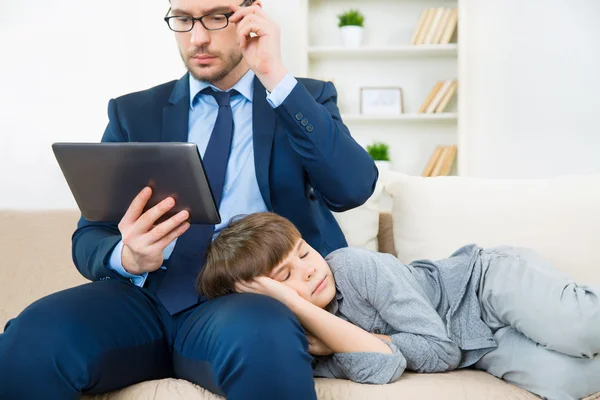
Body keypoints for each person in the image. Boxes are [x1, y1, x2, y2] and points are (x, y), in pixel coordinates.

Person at [0, 0, 377, 399]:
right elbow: (90, 237)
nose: (197, 37)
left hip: (247, 300)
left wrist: (274, 76)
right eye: (183, 19)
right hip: (144, 298)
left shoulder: (302, 98)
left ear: (253, 14)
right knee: (33, 334)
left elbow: (352, 188)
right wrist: (128, 257)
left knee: (265, 335)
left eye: (217, 17)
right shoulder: (133, 113)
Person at [199, 212, 600, 400]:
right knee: (571, 380)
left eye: (304, 253)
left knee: (580, 328)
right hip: (482, 345)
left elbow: (439, 350)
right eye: (285, 279)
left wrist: (304, 308)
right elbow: (386, 366)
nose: (307, 272)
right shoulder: (305, 346)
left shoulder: (354, 266)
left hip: (482, 285)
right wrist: (312, 319)